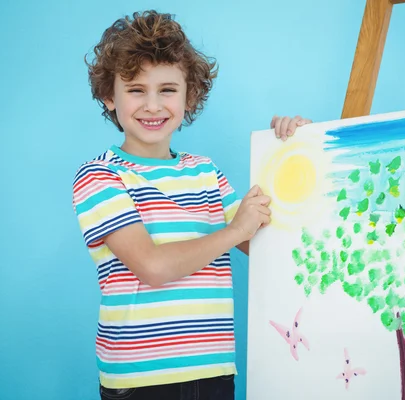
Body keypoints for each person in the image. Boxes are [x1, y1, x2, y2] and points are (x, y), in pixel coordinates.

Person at [71, 9, 311, 400]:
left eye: (167, 89)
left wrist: (302, 150)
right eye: (135, 90)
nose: (152, 105)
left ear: (190, 95)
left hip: (212, 371)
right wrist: (234, 230)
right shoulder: (100, 176)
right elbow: (152, 266)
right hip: (139, 378)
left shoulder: (206, 173)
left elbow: (264, 242)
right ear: (108, 97)